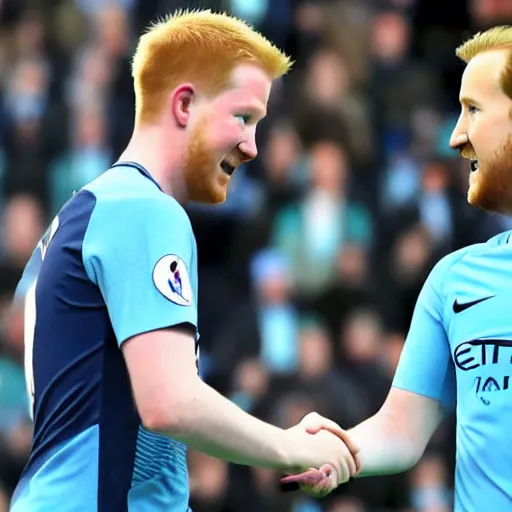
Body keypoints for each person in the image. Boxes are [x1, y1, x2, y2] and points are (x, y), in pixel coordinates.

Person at [9, 10, 359, 512]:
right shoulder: (145, 211)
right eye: (242, 118)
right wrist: (291, 447)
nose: (253, 147)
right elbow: (168, 402)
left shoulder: (92, 207)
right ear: (185, 104)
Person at [284, 25, 512, 511]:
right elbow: (402, 428)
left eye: (474, 109)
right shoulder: (454, 280)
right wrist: (340, 450)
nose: (457, 136)